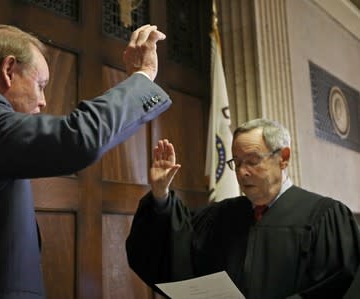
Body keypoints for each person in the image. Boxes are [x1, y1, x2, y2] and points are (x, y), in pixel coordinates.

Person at [0, 23, 171, 298]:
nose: (44, 101)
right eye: (41, 85)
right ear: (8, 70)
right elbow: (76, 139)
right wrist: (143, 78)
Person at [126, 118, 360, 299]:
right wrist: (160, 194)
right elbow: (172, 251)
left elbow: (338, 287)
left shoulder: (325, 217)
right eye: (236, 162)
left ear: (283, 158)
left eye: (252, 160)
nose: (241, 172)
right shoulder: (220, 215)